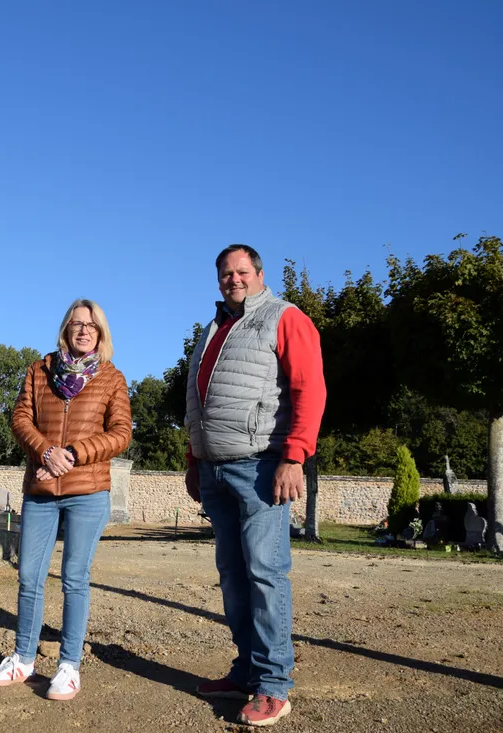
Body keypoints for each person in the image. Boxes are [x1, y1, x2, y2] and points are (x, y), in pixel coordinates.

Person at [185, 245, 326, 727]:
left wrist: (295, 456)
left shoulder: (285, 318)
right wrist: (192, 459)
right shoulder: (215, 328)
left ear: (259, 274)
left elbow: (310, 388)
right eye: (226, 273)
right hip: (215, 469)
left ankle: (273, 685)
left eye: (242, 272)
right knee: (233, 574)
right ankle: (246, 669)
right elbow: (197, 400)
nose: (233, 279)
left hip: (263, 466)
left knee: (265, 573)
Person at [0, 298, 132, 701]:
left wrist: (74, 455)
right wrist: (46, 451)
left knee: (74, 579)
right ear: (65, 329)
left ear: (101, 334)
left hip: (88, 492)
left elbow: (121, 433)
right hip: (42, 490)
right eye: (76, 324)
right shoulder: (39, 370)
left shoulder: (112, 379)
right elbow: (20, 419)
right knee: (30, 576)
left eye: (91, 325)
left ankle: (68, 666)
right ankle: (23, 658)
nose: (83, 330)